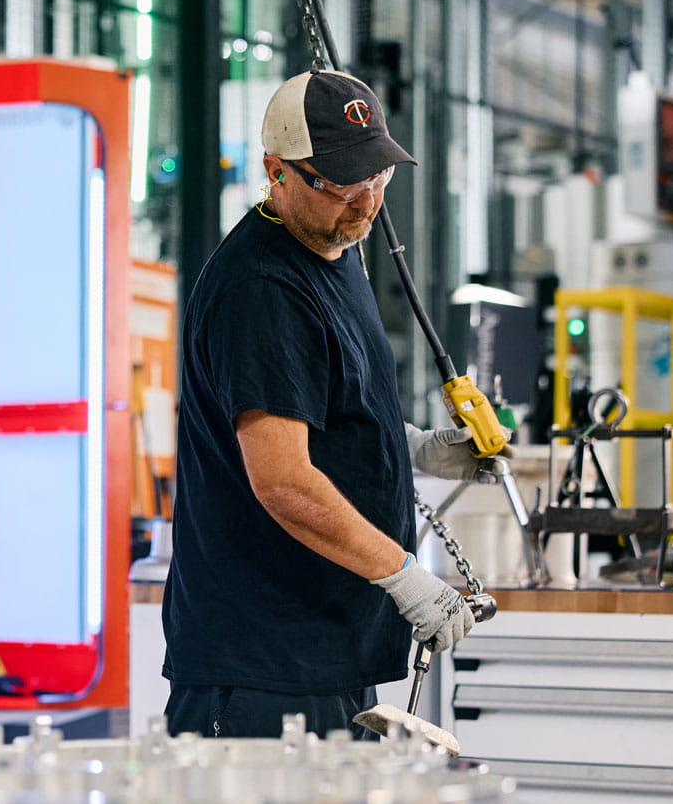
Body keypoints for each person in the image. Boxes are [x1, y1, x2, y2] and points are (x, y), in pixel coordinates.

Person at [162, 69, 500, 740]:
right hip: (260, 666)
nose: (364, 205)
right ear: (275, 171)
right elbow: (284, 480)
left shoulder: (334, 249)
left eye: (377, 179)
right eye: (341, 185)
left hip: (325, 648)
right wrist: (405, 576)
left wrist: (416, 448)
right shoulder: (261, 288)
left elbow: (321, 409)